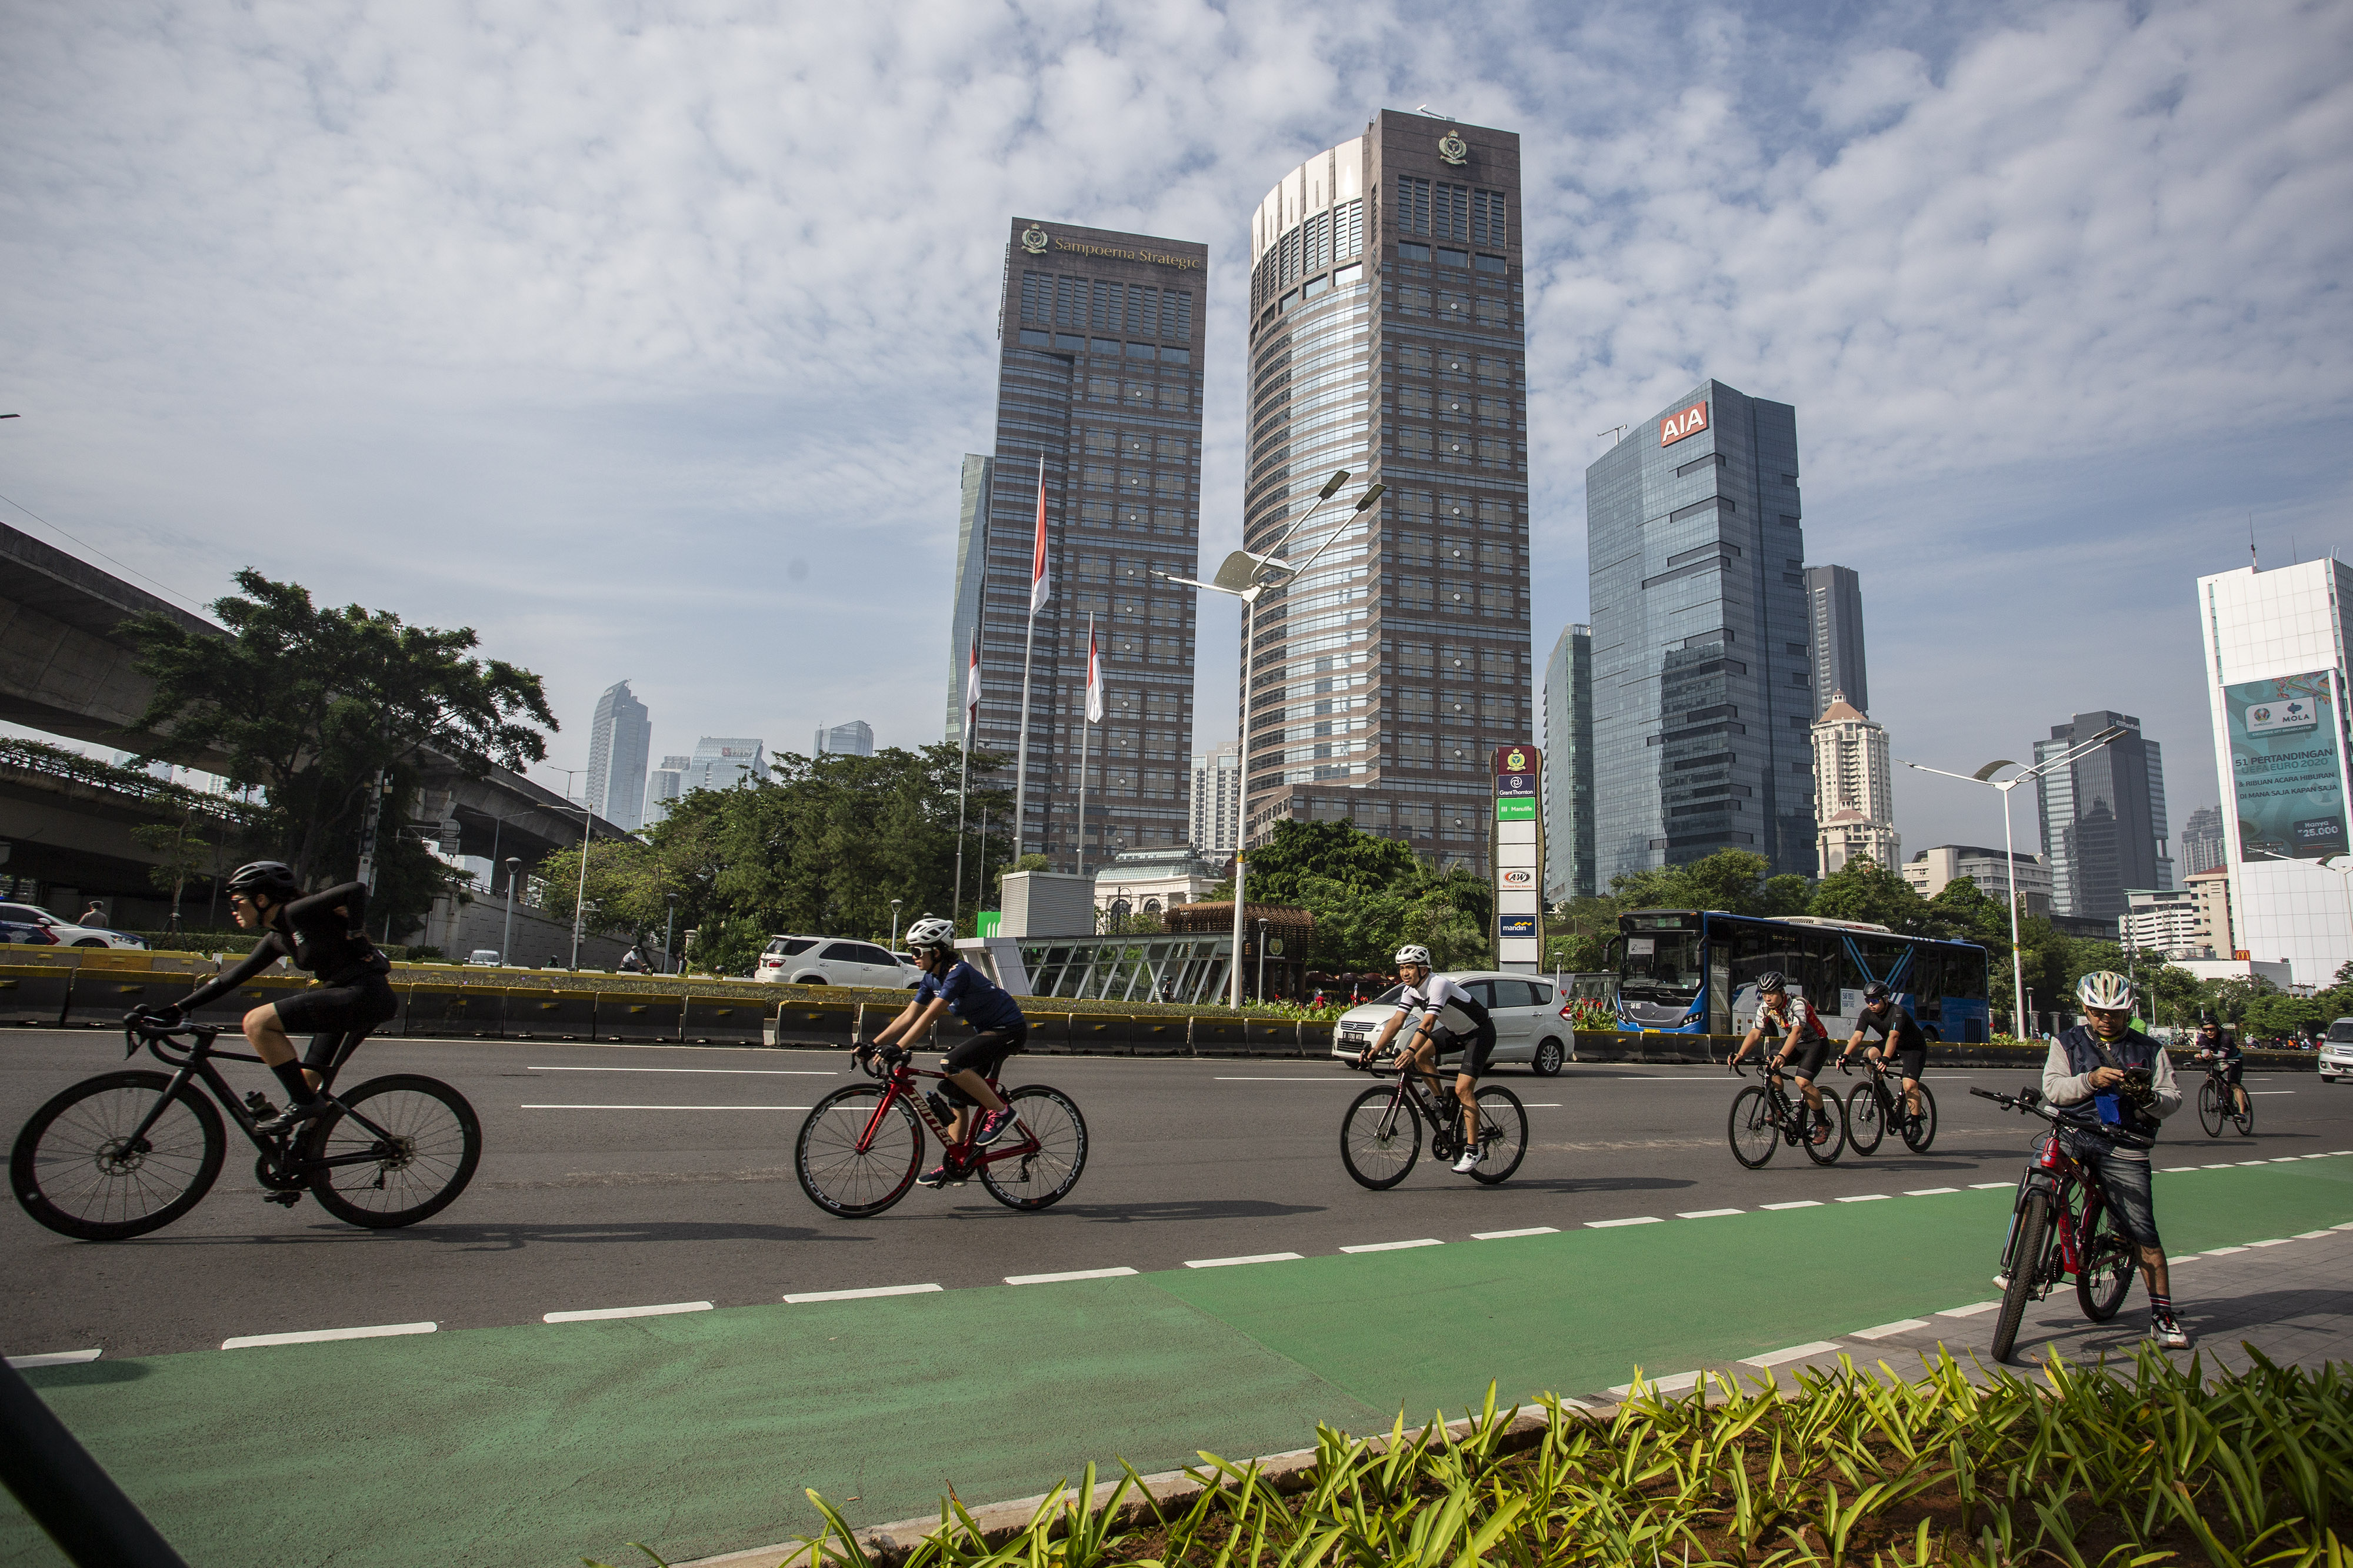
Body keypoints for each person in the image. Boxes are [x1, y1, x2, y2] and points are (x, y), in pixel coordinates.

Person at [146, 862, 395, 1134]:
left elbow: (356, 889)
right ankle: (303, 1165)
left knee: (257, 1023)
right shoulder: (276, 938)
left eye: (237, 902)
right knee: (308, 1087)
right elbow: (229, 979)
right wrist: (177, 1008)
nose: (233, 910)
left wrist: (356, 934)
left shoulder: (296, 912)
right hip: (343, 996)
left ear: (261, 899)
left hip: (366, 995)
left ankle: (304, 1106)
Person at [2040, 970, 2187, 1347]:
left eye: (2115, 1012)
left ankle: (2163, 1314)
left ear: (2128, 1012)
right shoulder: (2066, 1042)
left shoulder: (2150, 1050)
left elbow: (2171, 1097)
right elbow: (2054, 1089)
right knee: (2041, 1180)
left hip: (2125, 1143)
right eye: (2097, 1011)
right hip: (2075, 1130)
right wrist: (2091, 1081)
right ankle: (2025, 1269)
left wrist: (2148, 1098)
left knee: (2143, 1232)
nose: (2106, 1018)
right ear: (2085, 1009)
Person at [864, 915, 1024, 1186]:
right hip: (987, 1032)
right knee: (954, 1093)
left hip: (1008, 1030)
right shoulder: (930, 979)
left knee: (951, 1063)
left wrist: (900, 1047)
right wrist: (873, 1044)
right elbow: (908, 1016)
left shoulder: (957, 973)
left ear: (936, 952)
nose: (913, 956)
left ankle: (1001, 1112)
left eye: (917, 951)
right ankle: (957, 1160)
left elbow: (929, 1017)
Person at [1357, 945, 1492, 1175]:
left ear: (1424, 969)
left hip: (1479, 1033)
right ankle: (1440, 1100)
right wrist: (1376, 1049)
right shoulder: (1410, 991)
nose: (1404, 973)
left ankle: (1472, 1150)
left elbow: (1428, 1023)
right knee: (1422, 1057)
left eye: (1410, 968)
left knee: (1463, 1090)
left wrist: (1409, 1050)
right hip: (1455, 1032)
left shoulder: (1438, 984)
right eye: (1401, 968)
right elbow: (1397, 1021)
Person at [1728, 972, 1836, 1145]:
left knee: (1803, 1082)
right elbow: (1756, 1033)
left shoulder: (1797, 1003)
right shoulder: (1765, 1007)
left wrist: (1783, 1055)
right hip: (1796, 1042)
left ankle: (1823, 1124)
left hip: (1816, 1043)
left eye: (1771, 994)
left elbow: (1797, 1031)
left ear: (1782, 993)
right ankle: (1780, 1103)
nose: (1767, 998)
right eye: (1764, 994)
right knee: (1769, 1062)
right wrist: (1740, 1054)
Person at [1841, 980, 1928, 1131]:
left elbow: (1893, 1037)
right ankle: (1884, 1092)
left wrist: (1886, 1058)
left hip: (1913, 1048)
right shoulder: (1867, 1014)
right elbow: (1857, 1037)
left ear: (1885, 999)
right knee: (1869, 1054)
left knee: (1909, 1086)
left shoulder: (1897, 1011)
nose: (1870, 1004)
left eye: (1874, 1000)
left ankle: (1916, 1124)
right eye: (1867, 1000)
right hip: (1892, 1045)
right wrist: (1845, 1055)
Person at [2188, 1011, 2247, 1119]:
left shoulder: (2225, 1037)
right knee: (2209, 1078)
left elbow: (2221, 1055)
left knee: (2234, 1084)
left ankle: (2242, 1113)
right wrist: (2200, 1056)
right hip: (2218, 1058)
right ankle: (2223, 1097)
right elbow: (2206, 1053)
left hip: (2233, 1059)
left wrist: (2209, 1056)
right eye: (2206, 1030)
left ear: (2217, 1028)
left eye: (2212, 1029)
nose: (2209, 1032)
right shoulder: (2202, 1038)